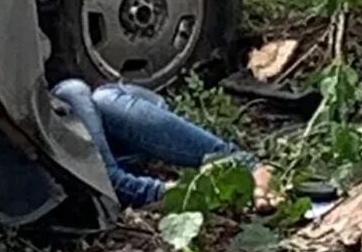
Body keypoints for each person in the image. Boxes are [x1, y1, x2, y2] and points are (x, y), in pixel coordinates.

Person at [53, 78, 280, 211]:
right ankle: (144, 191)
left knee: (97, 97)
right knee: (72, 90)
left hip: (117, 118)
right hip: (83, 151)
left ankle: (244, 163)